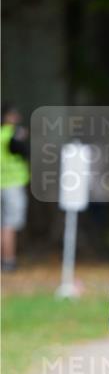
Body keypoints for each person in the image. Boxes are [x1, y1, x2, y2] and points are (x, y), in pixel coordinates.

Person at [0, 105, 30, 272]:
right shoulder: (13, 134)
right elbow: (24, 152)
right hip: (11, 184)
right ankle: (9, 260)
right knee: (9, 224)